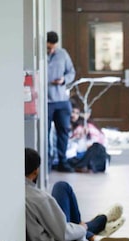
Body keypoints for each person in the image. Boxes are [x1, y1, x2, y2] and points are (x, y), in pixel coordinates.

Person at [24, 148, 129, 241]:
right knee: (62, 186)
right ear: (36, 171)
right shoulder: (39, 199)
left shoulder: (14, 194)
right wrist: (83, 228)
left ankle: (96, 232)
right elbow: (62, 232)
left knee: (72, 223)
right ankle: (98, 227)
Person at [46, 31, 76, 173]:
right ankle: (47, 162)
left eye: (52, 48)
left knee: (63, 131)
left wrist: (64, 80)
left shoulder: (63, 54)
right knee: (44, 133)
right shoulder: (40, 55)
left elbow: (71, 73)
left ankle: (62, 161)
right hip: (46, 101)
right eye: (48, 48)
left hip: (62, 100)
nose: (50, 50)